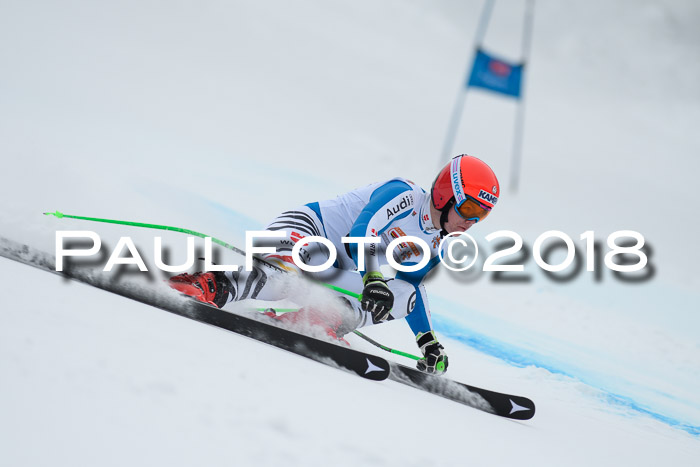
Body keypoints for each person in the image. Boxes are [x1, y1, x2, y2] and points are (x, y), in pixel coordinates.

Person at [169, 155, 500, 375]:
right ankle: (212, 284)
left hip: (330, 272)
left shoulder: (433, 244)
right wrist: (372, 277)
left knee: (403, 293)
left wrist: (427, 340)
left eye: (482, 215)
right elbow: (363, 229)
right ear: (446, 194)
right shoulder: (406, 195)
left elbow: (409, 291)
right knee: (292, 271)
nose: (472, 221)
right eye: (470, 208)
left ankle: (315, 320)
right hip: (299, 231)